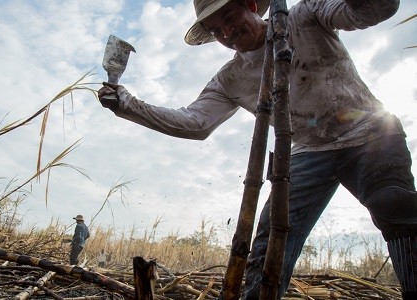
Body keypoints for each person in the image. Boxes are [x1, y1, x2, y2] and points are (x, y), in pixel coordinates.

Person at [98, 0, 417, 298]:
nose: (227, 33)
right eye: (215, 30)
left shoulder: (305, 17)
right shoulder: (231, 78)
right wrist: (127, 104)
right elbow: (196, 123)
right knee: (270, 239)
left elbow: (372, 10)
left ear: (250, 5)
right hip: (308, 152)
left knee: (393, 203)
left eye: (228, 18)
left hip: (372, 133)